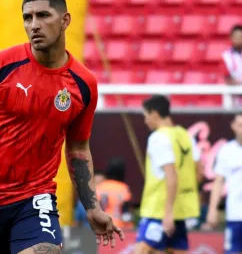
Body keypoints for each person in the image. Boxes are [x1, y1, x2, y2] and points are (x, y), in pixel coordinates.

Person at [0, 0, 124, 254]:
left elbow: (77, 148)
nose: (34, 25)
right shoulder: (0, 65)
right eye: (27, 18)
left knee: (46, 251)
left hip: (35, 196)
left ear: (65, 20)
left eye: (43, 16)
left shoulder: (83, 83)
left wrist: (92, 207)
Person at [135, 95, 201, 254]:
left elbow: (171, 174)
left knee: (141, 250)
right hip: (180, 210)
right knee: (176, 250)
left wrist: (167, 213)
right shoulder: (185, 135)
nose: (145, 121)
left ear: (154, 114)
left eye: (146, 116)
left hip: (160, 210)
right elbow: (199, 169)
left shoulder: (158, 138)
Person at [204, 113, 242, 254]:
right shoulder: (227, 150)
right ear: (233, 126)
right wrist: (212, 209)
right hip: (235, 214)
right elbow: (218, 182)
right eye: (240, 125)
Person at [96, 157, 134, 230]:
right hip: (120, 227)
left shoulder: (99, 187)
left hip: (101, 227)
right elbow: (126, 213)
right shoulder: (123, 188)